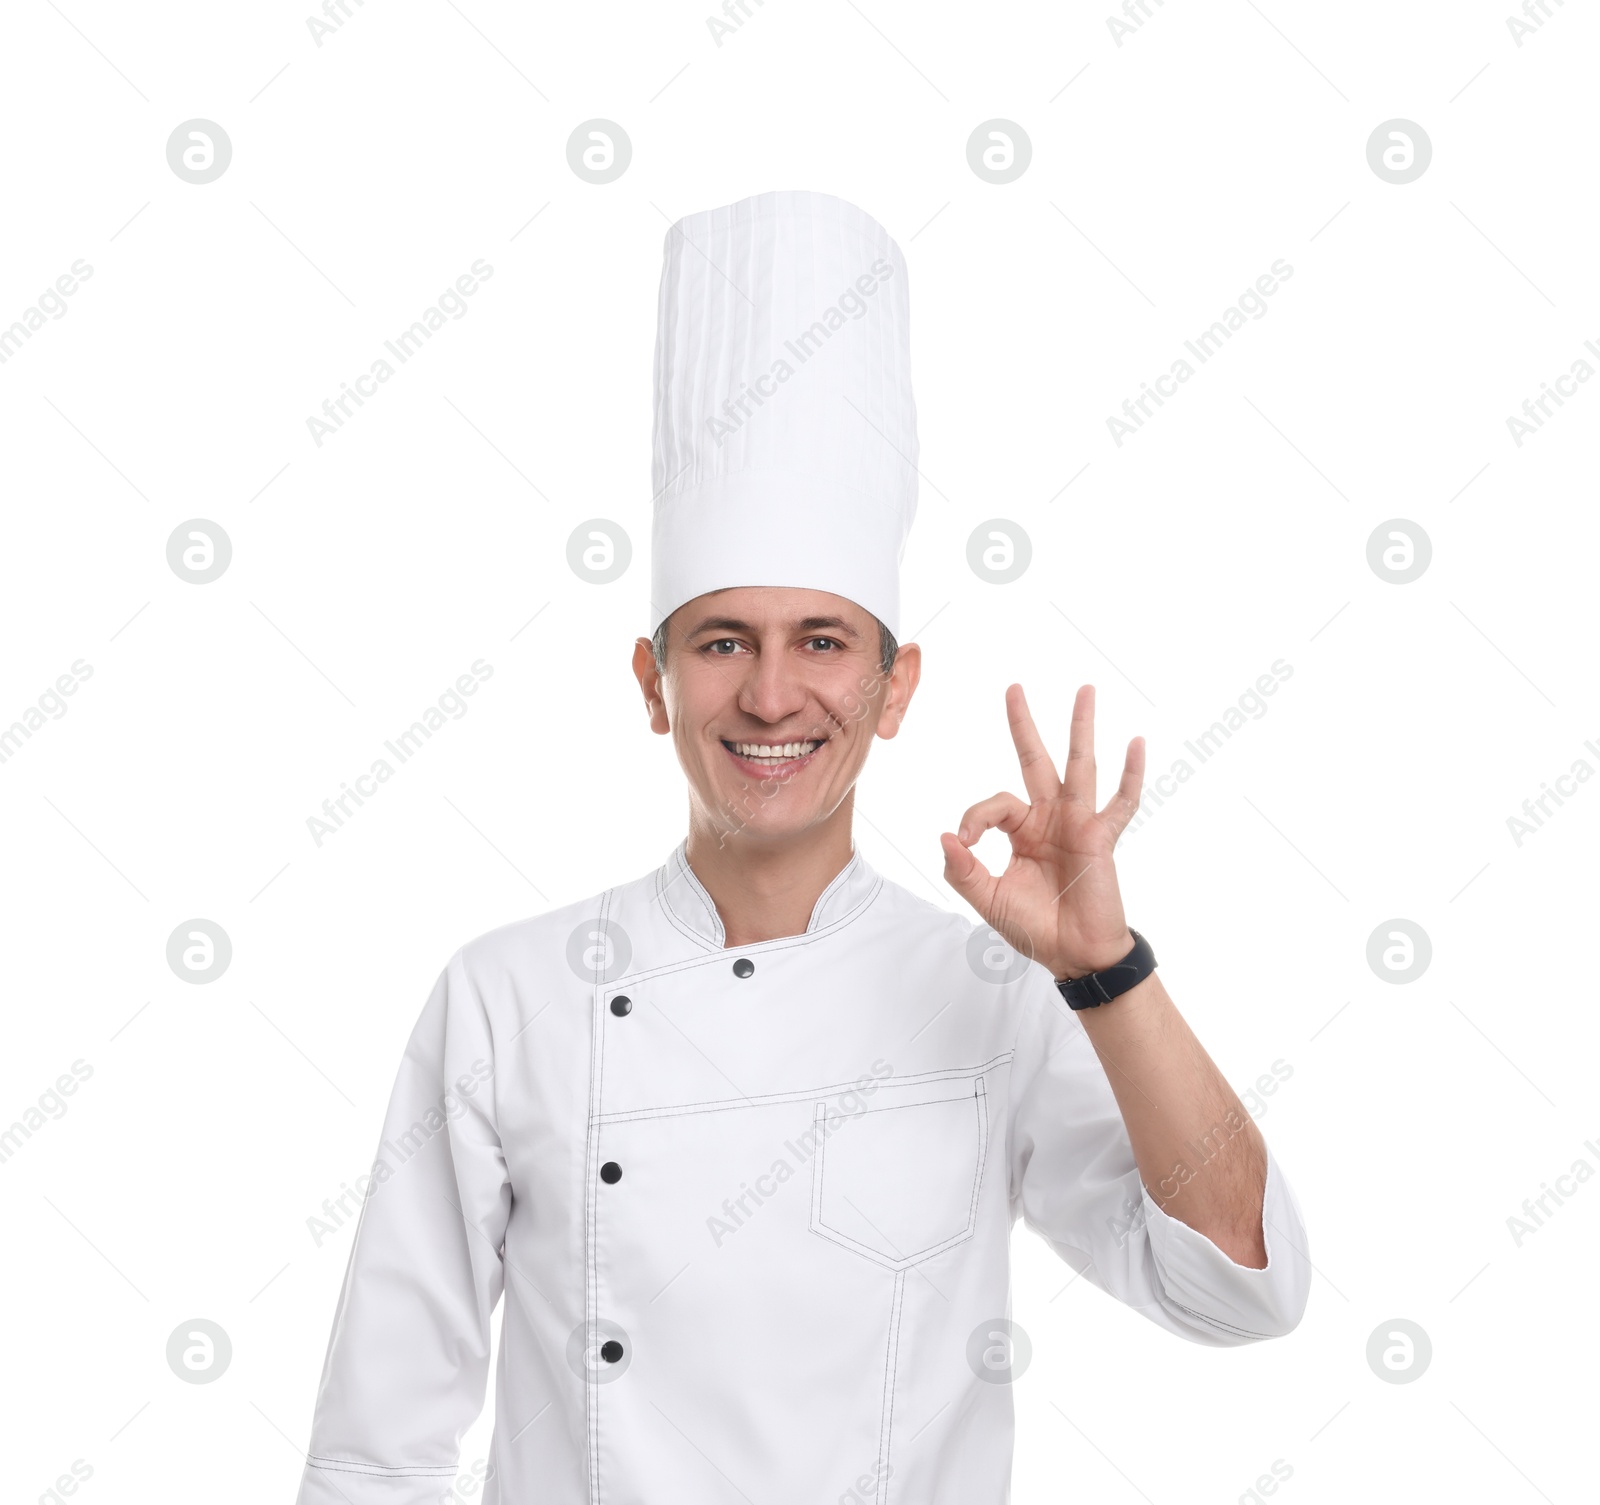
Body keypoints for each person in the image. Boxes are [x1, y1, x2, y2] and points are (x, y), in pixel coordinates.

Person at [293, 189, 1310, 1505]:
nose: (772, 697)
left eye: (821, 641)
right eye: (724, 641)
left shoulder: (992, 995)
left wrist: (1105, 967)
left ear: (895, 689)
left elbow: (1242, 1284)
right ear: (654, 682)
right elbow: (377, 1450)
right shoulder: (505, 999)